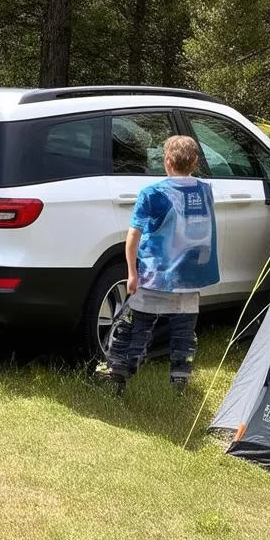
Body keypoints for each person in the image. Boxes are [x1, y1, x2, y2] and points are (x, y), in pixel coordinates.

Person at [94, 135, 219, 395]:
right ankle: (179, 382)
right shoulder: (205, 191)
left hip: (155, 276)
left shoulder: (153, 193)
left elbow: (133, 236)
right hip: (189, 278)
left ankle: (118, 376)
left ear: (167, 161)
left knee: (134, 328)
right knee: (183, 333)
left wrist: (131, 272)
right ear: (195, 161)